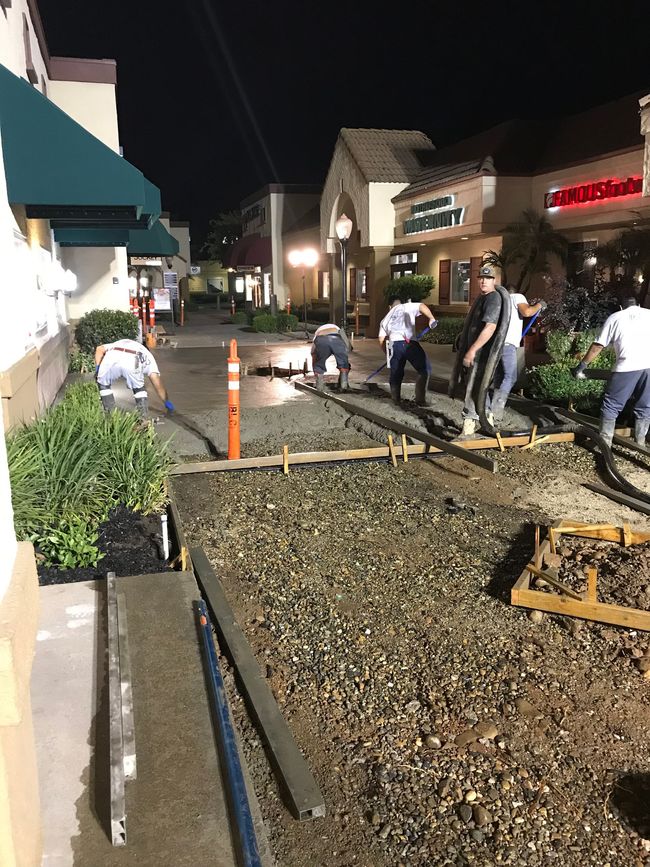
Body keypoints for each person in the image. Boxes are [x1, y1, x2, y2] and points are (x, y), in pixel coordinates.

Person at [573, 295, 650, 447]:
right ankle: (640, 443)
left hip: (627, 367)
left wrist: (582, 366)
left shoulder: (615, 317)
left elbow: (598, 346)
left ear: (621, 307)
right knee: (645, 406)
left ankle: (605, 443)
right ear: (639, 305)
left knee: (611, 405)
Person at [490, 286, 547, 424]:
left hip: (494, 343)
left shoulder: (499, 299)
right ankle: (496, 410)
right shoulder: (517, 297)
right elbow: (527, 312)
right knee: (510, 377)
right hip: (507, 343)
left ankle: (490, 407)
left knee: (499, 376)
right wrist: (540, 305)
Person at [460, 265, 504, 435]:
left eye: (488, 278)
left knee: (474, 386)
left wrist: (472, 350)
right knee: (478, 386)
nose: (484, 281)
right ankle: (487, 420)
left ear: (495, 280)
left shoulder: (494, 299)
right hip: (478, 351)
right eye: (481, 278)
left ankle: (470, 423)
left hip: (483, 353)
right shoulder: (483, 298)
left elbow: (490, 328)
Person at [94, 338, 174, 418]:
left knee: (103, 385)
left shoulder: (119, 343)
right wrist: (166, 401)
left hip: (111, 358)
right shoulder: (148, 355)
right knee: (139, 388)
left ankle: (109, 417)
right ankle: (143, 418)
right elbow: (156, 382)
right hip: (133, 359)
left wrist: (98, 369)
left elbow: (99, 349)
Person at [378, 297, 436, 405]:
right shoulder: (406, 306)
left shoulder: (385, 319)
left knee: (396, 373)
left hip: (394, 345)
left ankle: (395, 399)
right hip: (409, 343)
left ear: (389, 307)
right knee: (424, 370)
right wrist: (431, 318)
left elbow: (381, 340)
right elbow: (421, 306)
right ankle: (420, 399)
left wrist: (388, 354)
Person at [311, 323, 351, 391]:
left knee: (319, 363)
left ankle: (319, 387)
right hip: (337, 338)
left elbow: (313, 353)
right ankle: (343, 386)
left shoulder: (317, 332)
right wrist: (345, 362)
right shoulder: (338, 328)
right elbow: (348, 345)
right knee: (344, 364)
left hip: (321, 339)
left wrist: (315, 368)